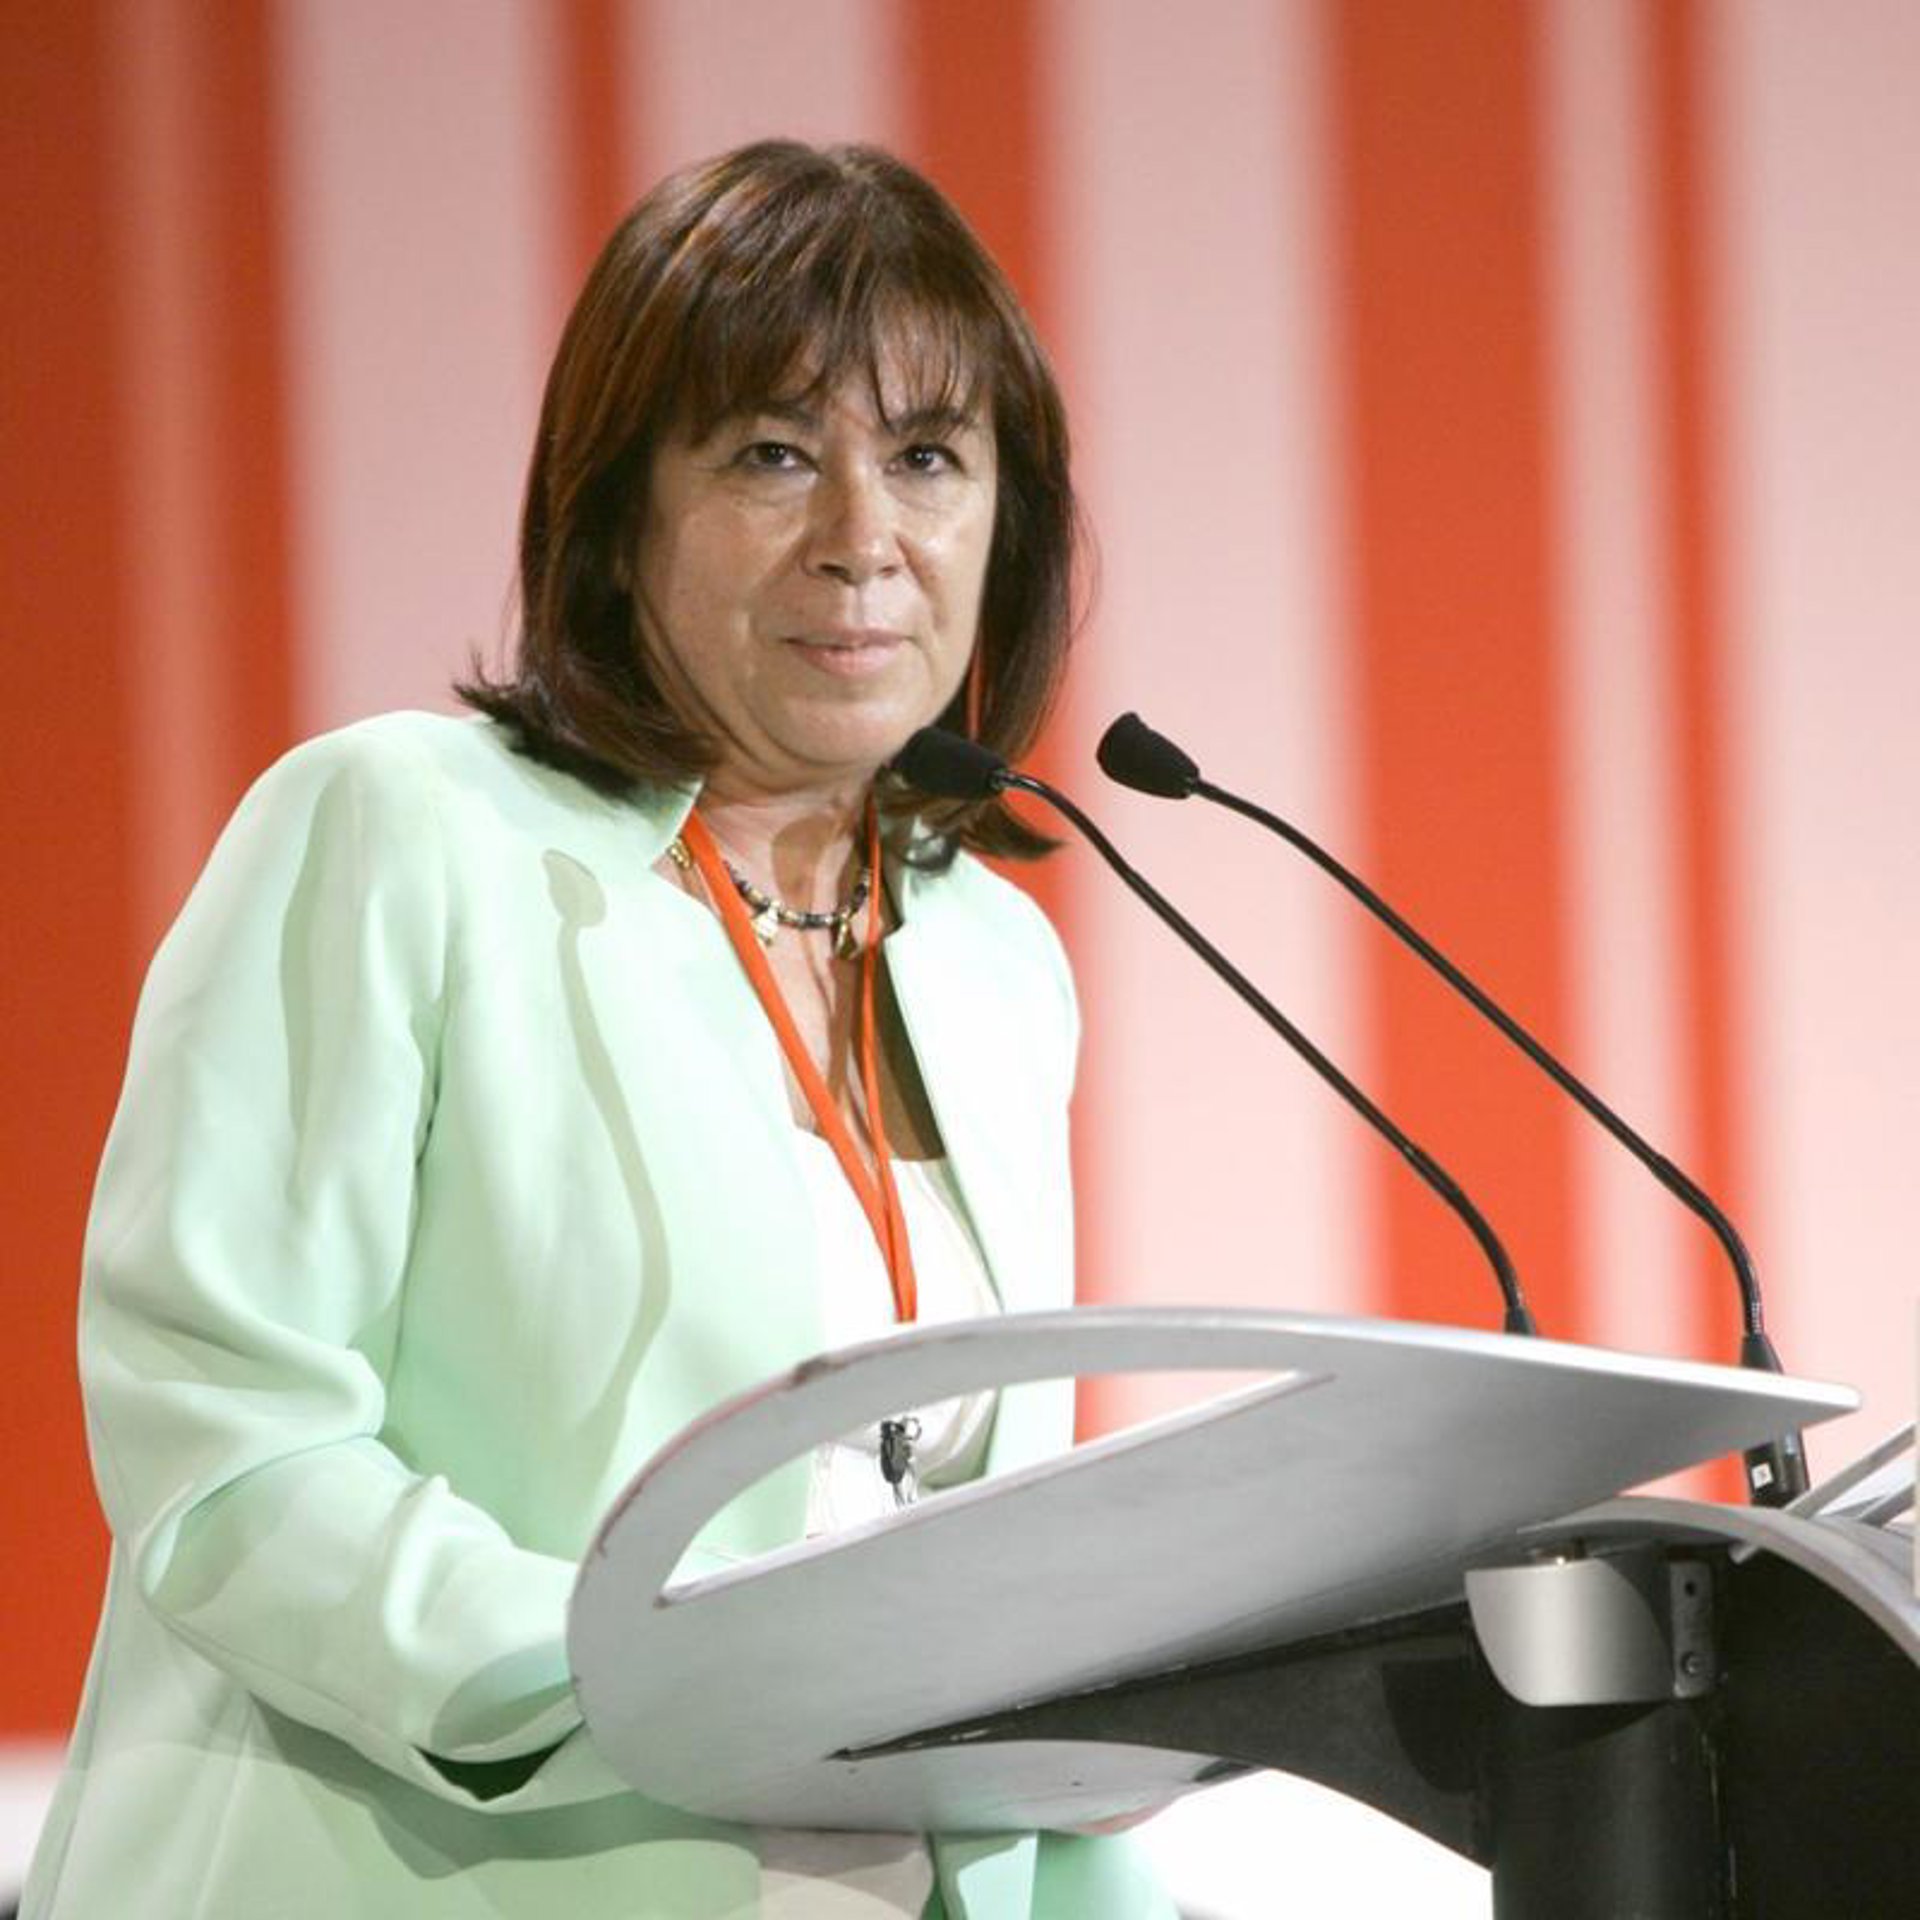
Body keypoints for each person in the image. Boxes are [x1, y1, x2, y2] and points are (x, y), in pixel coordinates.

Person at [22, 143, 1173, 1918]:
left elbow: (963, 1587)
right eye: (772, 453)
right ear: (620, 516)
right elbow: (231, 1447)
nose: (863, 536)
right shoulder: (402, 830)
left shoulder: (988, 960)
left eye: (930, 458)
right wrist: (655, 1685)